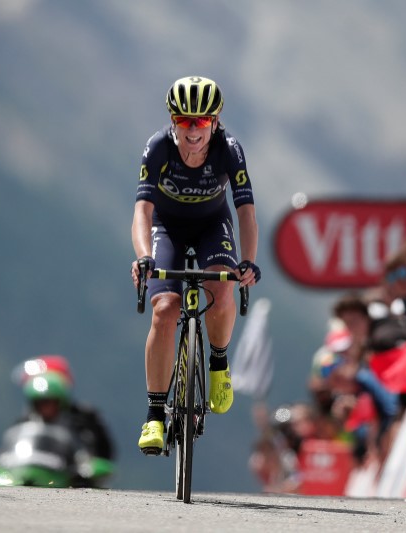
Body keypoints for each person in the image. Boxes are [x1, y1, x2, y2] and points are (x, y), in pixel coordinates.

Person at [130, 76, 261, 453]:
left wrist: (247, 261)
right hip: (166, 228)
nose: (192, 129)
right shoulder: (157, 148)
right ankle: (155, 416)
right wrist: (144, 256)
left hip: (211, 226)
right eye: (184, 120)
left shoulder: (229, 150)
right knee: (165, 308)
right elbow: (142, 209)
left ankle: (218, 363)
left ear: (215, 122)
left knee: (221, 289)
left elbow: (246, 212)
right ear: (173, 120)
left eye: (201, 121)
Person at [16, 355, 115, 460]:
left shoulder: (83, 419)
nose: (46, 407)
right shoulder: (25, 423)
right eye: (41, 403)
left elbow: (104, 454)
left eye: (50, 402)